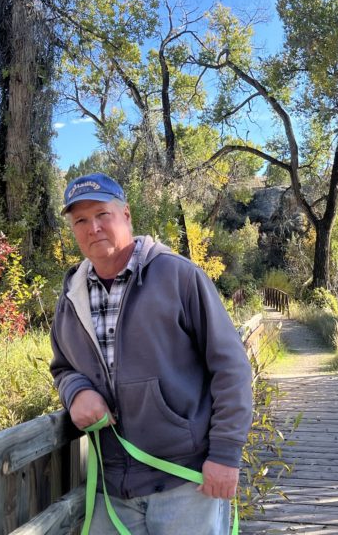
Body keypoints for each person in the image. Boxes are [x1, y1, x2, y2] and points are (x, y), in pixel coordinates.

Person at [50, 173, 253, 535]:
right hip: (111, 490)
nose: (92, 227)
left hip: (186, 482)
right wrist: (76, 391)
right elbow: (63, 367)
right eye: (80, 220)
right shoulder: (71, 297)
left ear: (125, 214)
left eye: (102, 214)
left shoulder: (178, 276)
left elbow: (231, 367)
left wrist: (225, 455)